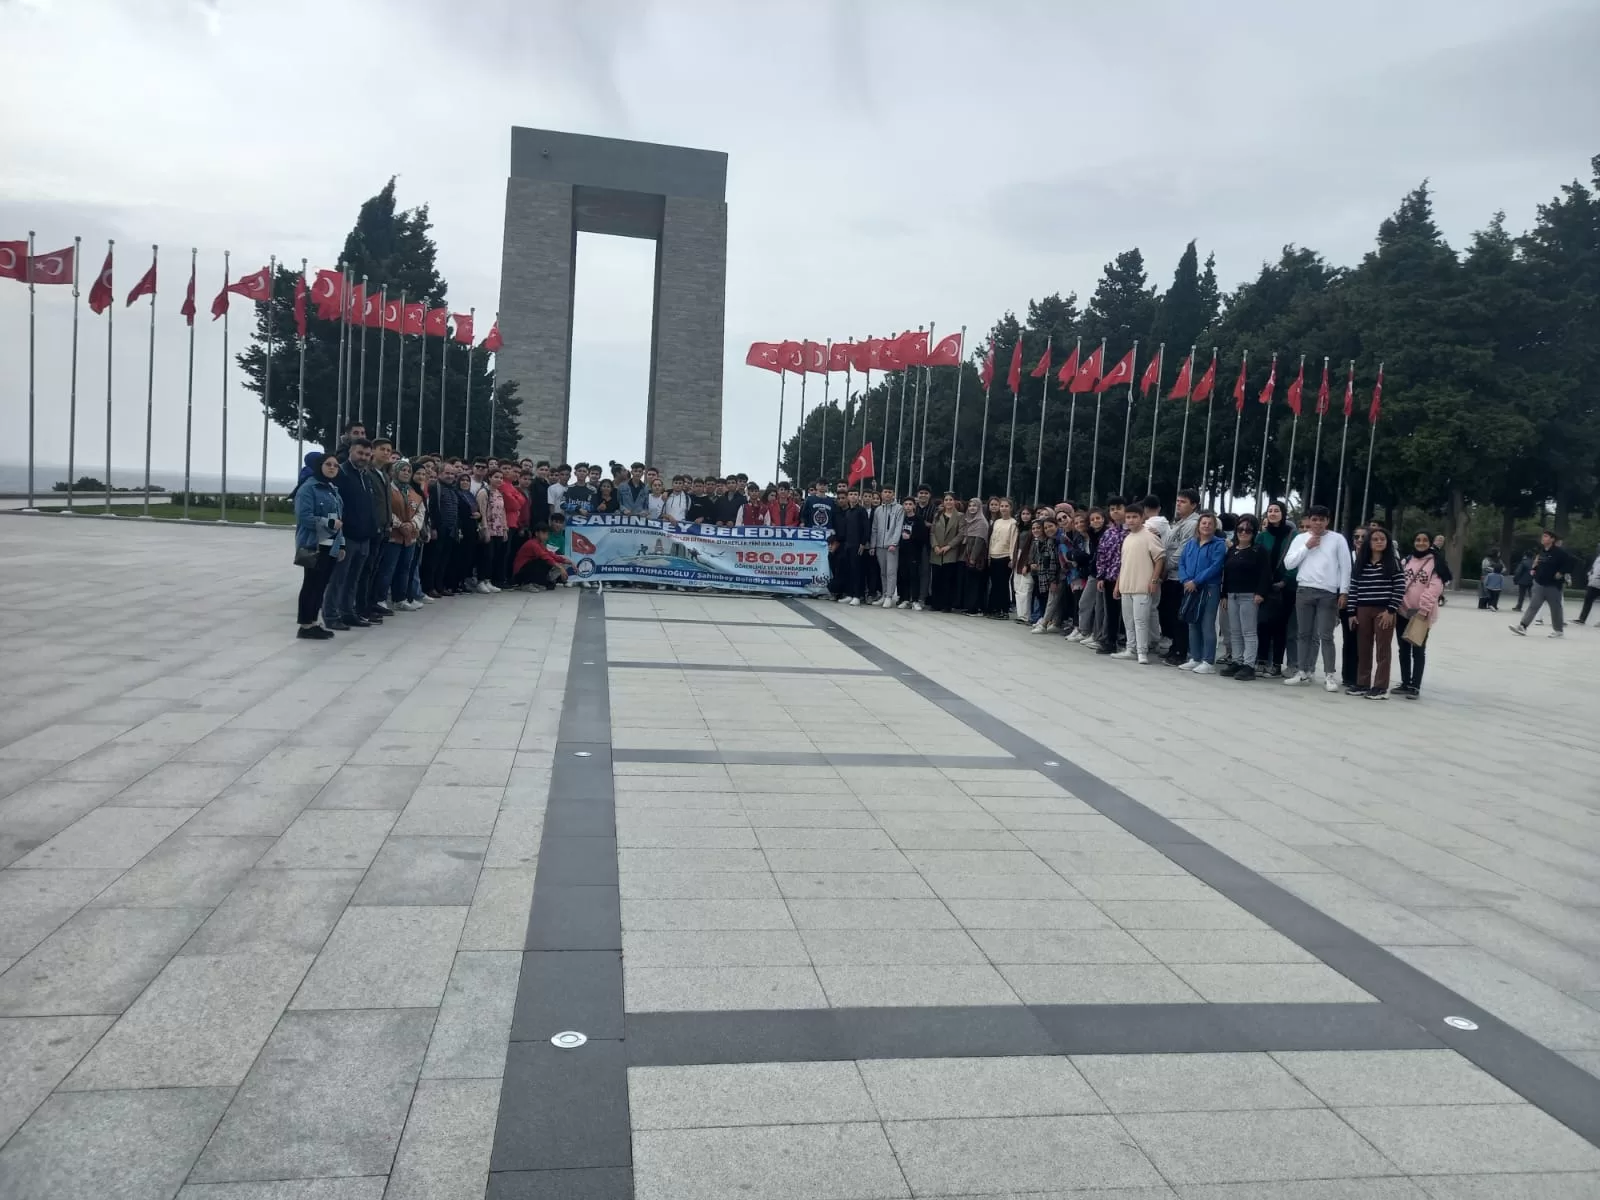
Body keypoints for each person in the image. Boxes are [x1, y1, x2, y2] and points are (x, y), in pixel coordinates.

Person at [1282, 505, 1350, 692]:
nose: (1318, 523)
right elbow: (1289, 564)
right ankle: (1302, 671)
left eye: (1322, 519)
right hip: (1304, 590)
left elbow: (1345, 566)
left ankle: (1329, 675)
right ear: (1309, 520)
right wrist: (1307, 546)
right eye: (1314, 519)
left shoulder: (1338, 540)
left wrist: (1343, 591)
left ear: (1328, 521)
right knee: (1303, 634)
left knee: (1325, 635)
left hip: (1327, 592)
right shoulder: (1301, 539)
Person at [1345, 526, 1406, 698]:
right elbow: (1354, 588)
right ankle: (1362, 683)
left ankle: (1380, 687)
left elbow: (1400, 587)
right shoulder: (1361, 562)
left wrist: (1391, 610)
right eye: (1375, 539)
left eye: (1382, 539)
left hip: (1384, 611)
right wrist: (1351, 613)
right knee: (1363, 648)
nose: (1379, 542)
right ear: (1368, 542)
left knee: (1383, 649)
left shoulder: (1393, 562)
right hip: (1363, 609)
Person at [324, 438, 378, 629]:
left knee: (353, 580)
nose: (363, 457)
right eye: (359, 453)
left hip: (364, 537)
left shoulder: (366, 476)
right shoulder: (342, 474)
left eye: (366, 454)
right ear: (350, 453)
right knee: (338, 579)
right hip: (346, 536)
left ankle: (348, 613)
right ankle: (330, 615)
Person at [294, 452, 344, 639]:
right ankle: (305, 625)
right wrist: (329, 524)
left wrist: (342, 545)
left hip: (330, 544)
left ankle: (314, 621)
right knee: (311, 584)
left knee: (321, 585)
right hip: (313, 544)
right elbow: (304, 517)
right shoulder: (308, 488)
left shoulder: (332, 489)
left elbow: (340, 517)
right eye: (328, 464)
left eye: (335, 465)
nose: (332, 468)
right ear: (319, 466)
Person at [1220, 514, 1271, 680]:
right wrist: (1224, 595)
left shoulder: (1258, 550)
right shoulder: (1232, 550)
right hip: (1232, 594)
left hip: (1250, 596)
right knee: (1235, 631)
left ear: (1254, 532)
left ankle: (1249, 664)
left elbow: (1265, 574)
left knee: (1248, 631)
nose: (1244, 532)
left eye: (1248, 530)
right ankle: (1237, 660)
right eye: (1240, 529)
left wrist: (1260, 593)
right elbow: (1226, 574)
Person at [1112, 503, 1164, 663]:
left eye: (1135, 517)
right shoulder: (1127, 538)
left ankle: (1142, 651)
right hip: (1126, 585)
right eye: (1128, 517)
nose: (1131, 520)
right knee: (1128, 620)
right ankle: (1131, 648)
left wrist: (1154, 580)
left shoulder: (1149, 536)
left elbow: (1160, 558)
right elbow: (1124, 564)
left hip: (1143, 586)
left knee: (1141, 620)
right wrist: (1117, 585)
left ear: (1142, 518)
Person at [1397, 531, 1445, 698]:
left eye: (1425, 540)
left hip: (1421, 613)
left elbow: (1435, 588)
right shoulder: (1407, 560)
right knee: (1403, 649)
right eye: (1418, 539)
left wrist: (1424, 609)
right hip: (1402, 611)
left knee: (1418, 649)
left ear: (1430, 543)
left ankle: (1415, 685)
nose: (1421, 543)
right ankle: (1405, 682)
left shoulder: (1436, 562)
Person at [1177, 510, 1225, 673]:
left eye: (1210, 523)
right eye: (1203, 523)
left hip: (1209, 588)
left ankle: (1208, 661)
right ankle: (1195, 657)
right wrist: (1185, 580)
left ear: (1214, 527)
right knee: (1192, 623)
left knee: (1207, 624)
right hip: (1190, 587)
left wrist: (1196, 581)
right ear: (1198, 526)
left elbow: (1216, 566)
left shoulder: (1219, 544)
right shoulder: (1191, 543)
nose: (1206, 526)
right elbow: (1182, 562)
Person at [1157, 490, 1201, 665]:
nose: (1178, 504)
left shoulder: (1192, 524)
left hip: (1180, 577)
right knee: (1167, 613)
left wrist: (1164, 567)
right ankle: (1174, 645)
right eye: (1178, 501)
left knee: (1179, 616)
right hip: (1169, 576)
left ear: (1194, 505)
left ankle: (1181, 650)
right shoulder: (1178, 523)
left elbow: (1182, 551)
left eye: (1183, 501)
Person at [1255, 502, 1297, 676]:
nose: (1273, 513)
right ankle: (1262, 660)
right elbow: (1257, 560)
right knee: (1263, 624)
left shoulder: (1292, 536)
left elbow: (1295, 561)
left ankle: (1277, 663)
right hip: (1265, 586)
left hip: (1285, 588)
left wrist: (1285, 581)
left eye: (1276, 511)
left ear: (1283, 513)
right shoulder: (1262, 536)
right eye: (1270, 511)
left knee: (1280, 627)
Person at [1511, 530, 1575, 638]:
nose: (1543, 538)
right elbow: (1538, 563)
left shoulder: (1560, 553)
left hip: (1553, 585)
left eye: (1546, 536)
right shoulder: (1542, 552)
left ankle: (1558, 630)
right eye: (1543, 536)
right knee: (1533, 606)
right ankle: (1523, 626)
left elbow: (1571, 563)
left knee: (1555, 608)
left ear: (1552, 539)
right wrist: (1534, 568)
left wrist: (1561, 572)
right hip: (1539, 584)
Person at [1094, 498, 1128, 655]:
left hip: (1127, 577)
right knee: (1111, 611)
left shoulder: (1132, 531)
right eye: (1112, 508)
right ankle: (1110, 640)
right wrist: (1101, 576)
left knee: (1127, 612)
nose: (1115, 511)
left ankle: (1129, 641)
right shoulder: (1108, 533)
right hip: (1109, 577)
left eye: (1119, 508)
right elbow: (1102, 555)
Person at [833, 488, 870, 604]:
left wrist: (863, 543)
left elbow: (866, 528)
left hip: (857, 545)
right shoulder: (848, 512)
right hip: (847, 545)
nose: (853, 496)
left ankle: (857, 596)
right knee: (848, 570)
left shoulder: (861, 511)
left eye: (855, 494)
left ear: (858, 497)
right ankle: (849, 593)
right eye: (851, 494)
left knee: (856, 570)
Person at [929, 494, 964, 612]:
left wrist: (949, 546)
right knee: (936, 578)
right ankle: (935, 603)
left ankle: (947, 604)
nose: (948, 502)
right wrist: (935, 546)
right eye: (946, 500)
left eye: (951, 500)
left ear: (955, 501)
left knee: (948, 579)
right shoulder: (938, 515)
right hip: (937, 551)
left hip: (950, 551)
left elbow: (961, 534)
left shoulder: (960, 516)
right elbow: (932, 532)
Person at [871, 487, 905, 608]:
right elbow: (874, 529)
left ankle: (890, 596)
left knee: (891, 571)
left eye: (889, 492)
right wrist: (873, 545)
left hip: (891, 546)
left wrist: (894, 543)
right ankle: (884, 594)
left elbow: (898, 527)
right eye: (885, 492)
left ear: (893, 494)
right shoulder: (878, 510)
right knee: (883, 572)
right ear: (882, 494)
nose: (887, 494)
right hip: (880, 545)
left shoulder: (899, 509)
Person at [958, 497, 990, 616]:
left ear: (979, 508)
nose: (972, 508)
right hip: (967, 555)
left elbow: (979, 541)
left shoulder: (981, 522)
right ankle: (970, 606)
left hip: (977, 558)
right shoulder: (969, 520)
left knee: (976, 584)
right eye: (970, 506)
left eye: (975, 506)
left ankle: (976, 608)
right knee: (970, 583)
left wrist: (973, 558)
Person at [986, 499, 1018, 618]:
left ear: (1011, 508)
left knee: (1003, 584)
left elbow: (1013, 541)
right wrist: (989, 555)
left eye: (1006, 506)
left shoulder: (1013, 523)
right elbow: (992, 539)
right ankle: (993, 608)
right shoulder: (997, 522)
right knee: (995, 584)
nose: (1004, 508)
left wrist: (1012, 558)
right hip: (994, 555)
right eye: (1002, 506)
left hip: (1005, 557)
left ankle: (1004, 610)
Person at [895, 497, 926, 610]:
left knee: (914, 576)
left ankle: (915, 600)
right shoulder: (901, 518)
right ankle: (905, 598)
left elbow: (923, 536)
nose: (907, 506)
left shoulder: (918, 519)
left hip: (914, 552)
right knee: (904, 575)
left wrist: (911, 537)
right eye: (906, 504)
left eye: (910, 504)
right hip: (902, 551)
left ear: (914, 506)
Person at [1011, 513, 1035, 624]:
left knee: (1025, 587)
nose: (1025, 516)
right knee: (1017, 587)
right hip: (1018, 557)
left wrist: (1027, 564)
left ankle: (1026, 615)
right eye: (1023, 514)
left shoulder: (1033, 529)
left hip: (1026, 559)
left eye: (1027, 514)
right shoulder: (1019, 527)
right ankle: (1020, 614)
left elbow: (1031, 548)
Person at [1577, 542, 1600, 625]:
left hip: (1596, 581)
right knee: (1587, 600)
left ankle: (1582, 619)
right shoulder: (1598, 558)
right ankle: (1582, 619)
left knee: (1588, 600)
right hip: (1593, 582)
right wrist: (1590, 574)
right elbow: (1594, 568)